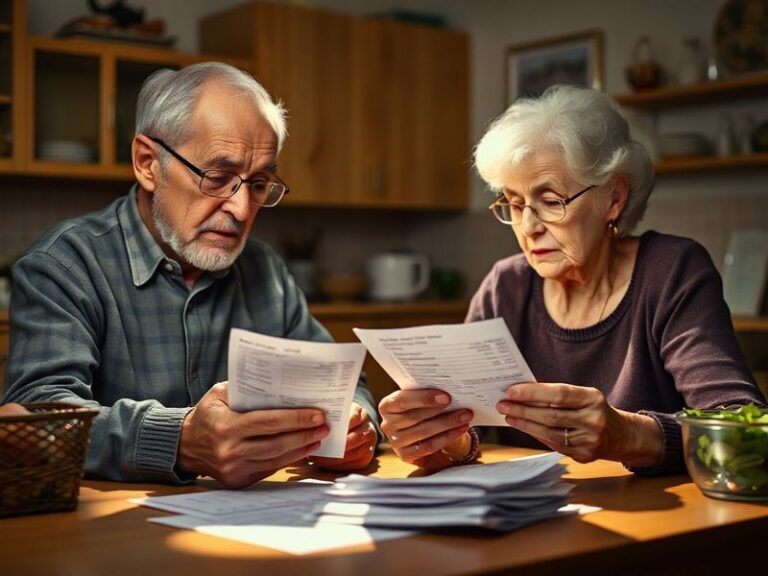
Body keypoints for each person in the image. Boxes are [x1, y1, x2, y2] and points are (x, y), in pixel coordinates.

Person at [2, 62, 378, 488]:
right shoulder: (66, 265)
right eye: (218, 178)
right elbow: (36, 413)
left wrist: (355, 426)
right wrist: (179, 441)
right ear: (148, 163)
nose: (240, 210)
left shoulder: (265, 270)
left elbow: (345, 385)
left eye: (257, 184)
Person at [379, 85, 766, 475]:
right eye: (514, 204)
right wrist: (440, 439)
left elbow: (744, 427)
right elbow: (470, 434)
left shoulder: (671, 271)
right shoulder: (505, 287)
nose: (528, 227)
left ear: (613, 198)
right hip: (527, 525)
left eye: (551, 201)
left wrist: (627, 434)